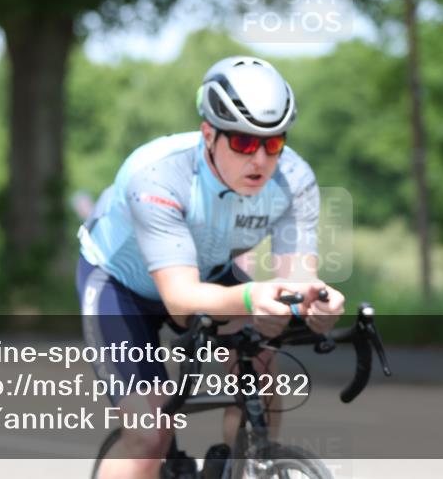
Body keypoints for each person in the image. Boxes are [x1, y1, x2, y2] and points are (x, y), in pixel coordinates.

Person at [77, 56, 345, 479]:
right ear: (208, 134)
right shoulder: (158, 175)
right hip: (121, 284)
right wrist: (251, 297)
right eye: (242, 143)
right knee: (149, 433)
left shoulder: (294, 178)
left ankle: (245, 465)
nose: (259, 159)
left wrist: (316, 305)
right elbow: (182, 302)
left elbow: (298, 279)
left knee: (259, 377)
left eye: (273, 143)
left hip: (207, 271)